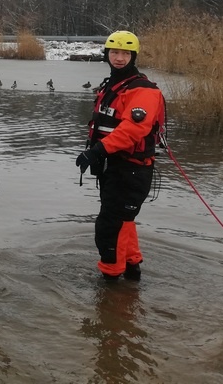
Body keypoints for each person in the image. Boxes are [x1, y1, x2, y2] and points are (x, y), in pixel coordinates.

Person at [76, 30, 165, 281]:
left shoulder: (143, 90)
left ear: (133, 56)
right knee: (122, 220)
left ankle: (111, 284)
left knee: (108, 227)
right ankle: (132, 269)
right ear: (107, 54)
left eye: (125, 53)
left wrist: (96, 151)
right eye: (114, 52)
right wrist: (96, 153)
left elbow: (134, 129)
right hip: (114, 167)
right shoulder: (113, 86)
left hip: (131, 169)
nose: (119, 58)